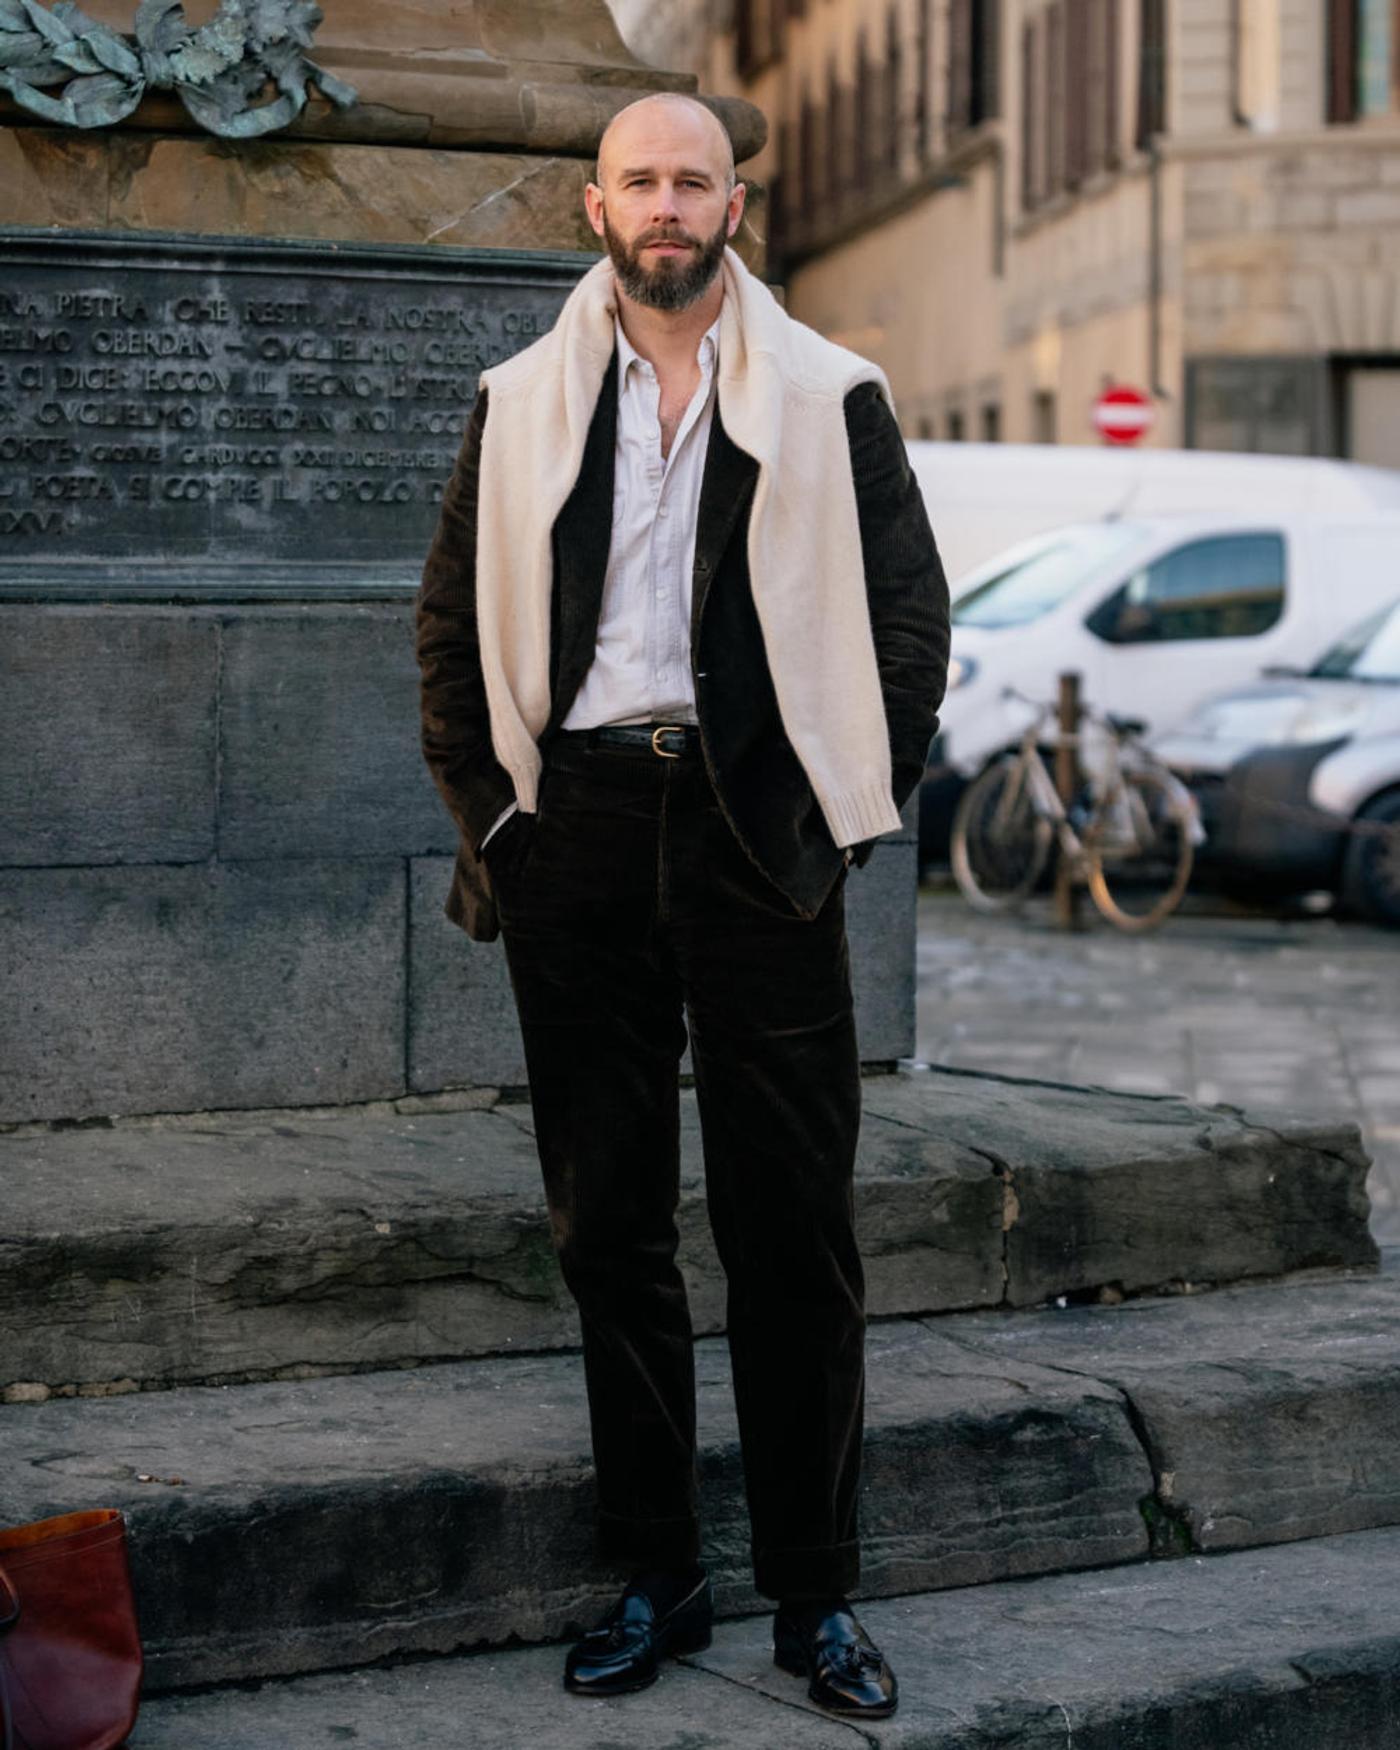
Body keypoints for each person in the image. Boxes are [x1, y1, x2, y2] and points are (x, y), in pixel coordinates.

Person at [416, 90, 950, 1722]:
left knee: (793, 1227)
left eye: (692, 181)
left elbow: (910, 623)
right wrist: (501, 825)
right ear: (595, 206)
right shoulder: (519, 402)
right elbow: (447, 632)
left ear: (733, 203)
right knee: (611, 1227)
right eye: (639, 180)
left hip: (755, 835)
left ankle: (817, 1592)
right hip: (573, 828)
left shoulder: (831, 395)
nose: (666, 204)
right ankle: (657, 1567)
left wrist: (832, 823)